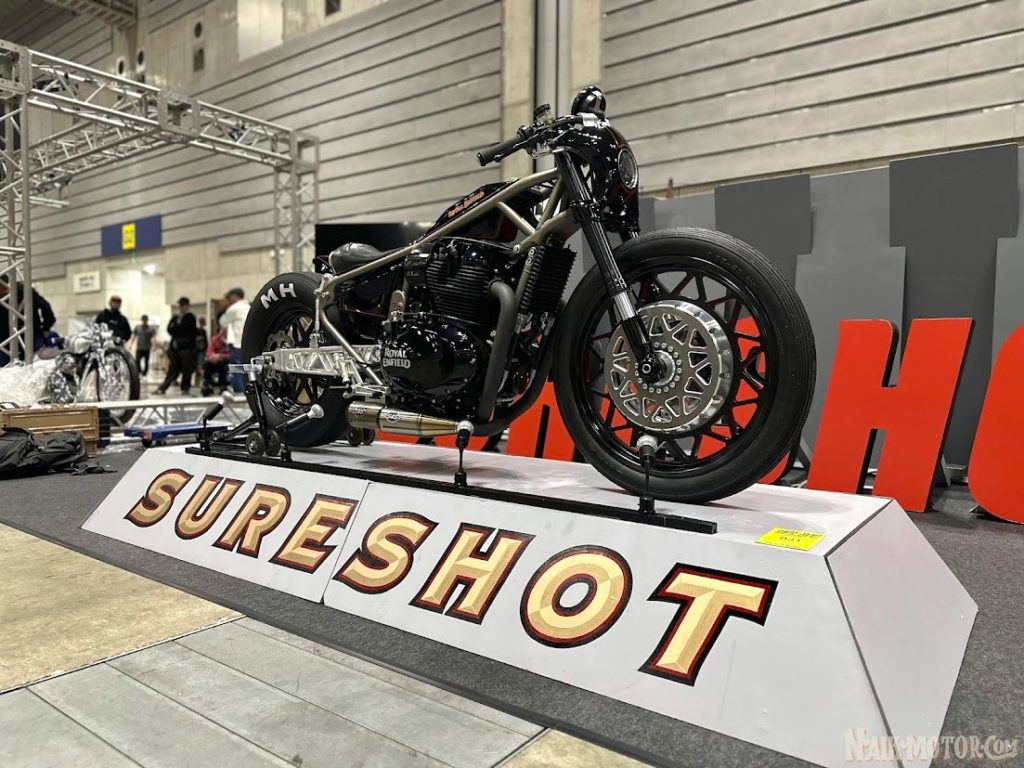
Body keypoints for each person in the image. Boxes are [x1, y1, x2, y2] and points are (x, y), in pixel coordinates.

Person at [0, 279, 56, 365]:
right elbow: (46, 307)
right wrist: (46, 327)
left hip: (29, 337)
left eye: (3, 289)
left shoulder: (24, 291)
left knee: (36, 365)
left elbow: (46, 307)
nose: (2, 293)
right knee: (36, 365)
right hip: (23, 338)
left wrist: (46, 327)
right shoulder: (25, 290)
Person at [156, 297, 197, 395]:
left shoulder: (190, 317)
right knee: (172, 368)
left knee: (186, 368)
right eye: (180, 305)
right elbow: (170, 329)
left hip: (186, 347)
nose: (181, 307)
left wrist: (177, 329)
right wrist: (177, 329)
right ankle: (163, 387)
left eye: (183, 305)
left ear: (187, 306)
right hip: (175, 347)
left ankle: (185, 388)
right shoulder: (175, 317)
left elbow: (187, 330)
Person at [219, 287, 250, 393]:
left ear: (235, 296)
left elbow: (222, 321)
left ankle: (239, 393)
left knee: (236, 370)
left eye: (229, 297)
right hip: (246, 343)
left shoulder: (234, 308)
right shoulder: (248, 307)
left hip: (237, 344)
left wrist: (225, 306)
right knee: (246, 370)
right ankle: (246, 392)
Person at [201, 324, 230, 396]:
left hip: (225, 361)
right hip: (215, 360)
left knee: (223, 366)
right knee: (208, 364)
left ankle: (222, 385)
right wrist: (212, 356)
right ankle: (208, 384)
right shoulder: (215, 339)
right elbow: (209, 352)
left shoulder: (232, 341)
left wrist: (220, 356)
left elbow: (233, 354)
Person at [195, 316, 208, 381]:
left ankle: (199, 379)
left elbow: (205, 341)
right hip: (198, 350)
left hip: (201, 350)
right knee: (199, 364)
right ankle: (199, 379)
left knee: (200, 364)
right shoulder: (197, 330)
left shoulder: (203, 331)